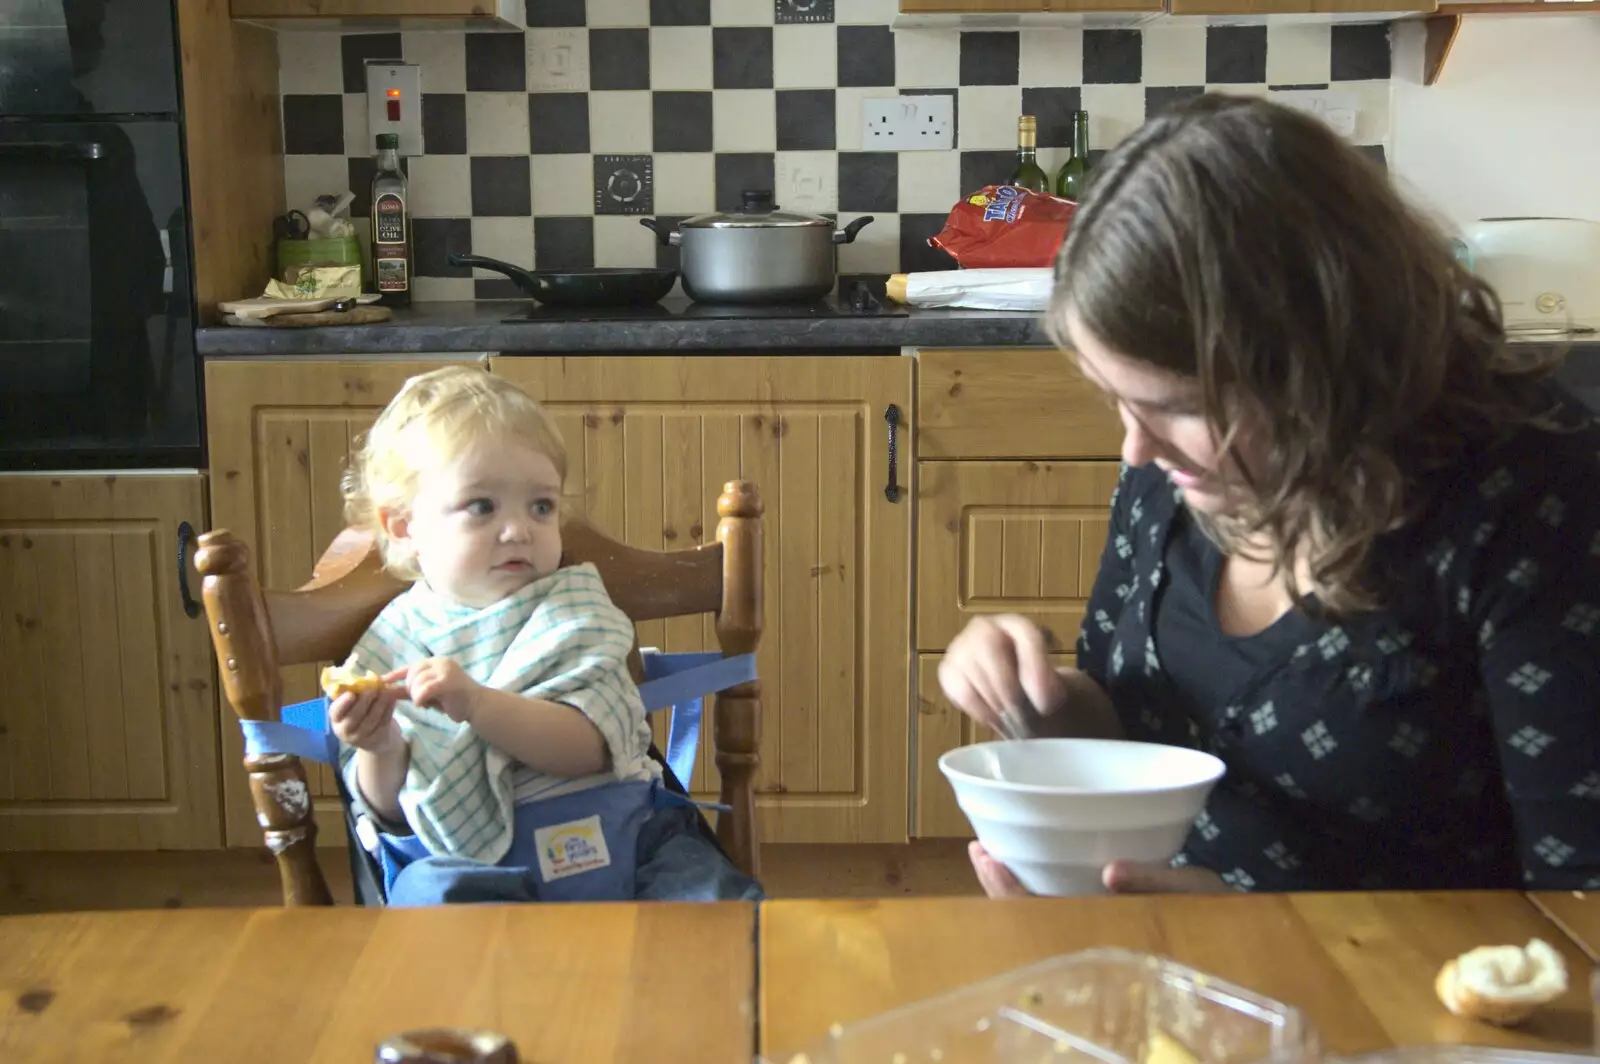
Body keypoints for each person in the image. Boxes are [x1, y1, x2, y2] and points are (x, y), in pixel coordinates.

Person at [939, 94, 1600, 898]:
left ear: (1322, 360)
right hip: (1178, 992)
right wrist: (1036, 709)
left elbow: (1581, 913)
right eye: (1117, 398)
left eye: (1182, 407)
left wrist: (1262, 940)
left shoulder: (1534, 494)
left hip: (1406, 1016)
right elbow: (1139, 724)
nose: (1135, 449)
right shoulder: (1173, 473)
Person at [329, 366, 762, 905]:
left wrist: (478, 703)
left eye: (542, 506)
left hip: (621, 841)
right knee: (425, 905)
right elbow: (389, 811)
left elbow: (588, 748)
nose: (519, 530)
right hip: (466, 866)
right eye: (482, 506)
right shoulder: (392, 641)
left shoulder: (577, 607)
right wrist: (378, 746)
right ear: (404, 526)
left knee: (714, 898)